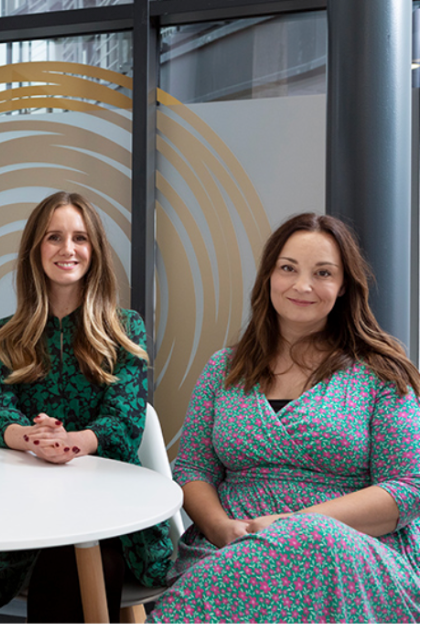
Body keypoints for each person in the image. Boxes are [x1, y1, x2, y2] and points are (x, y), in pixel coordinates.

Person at [148, 213, 420, 622]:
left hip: (350, 551)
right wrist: (223, 530)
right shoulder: (224, 369)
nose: (302, 285)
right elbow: (193, 469)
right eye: (288, 268)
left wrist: (290, 526)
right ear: (269, 276)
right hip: (232, 550)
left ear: (343, 285)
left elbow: (407, 487)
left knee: (313, 539)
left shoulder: (380, 373)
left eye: (323, 273)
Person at [0, 191, 173, 622]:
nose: (68, 249)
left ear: (95, 250)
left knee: (72, 565)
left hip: (110, 511)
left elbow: (123, 424)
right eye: (54, 238)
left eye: (80, 238)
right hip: (27, 506)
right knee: (55, 560)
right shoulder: (3, 336)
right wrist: (29, 437)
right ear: (36, 249)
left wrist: (71, 443)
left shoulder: (126, 329)